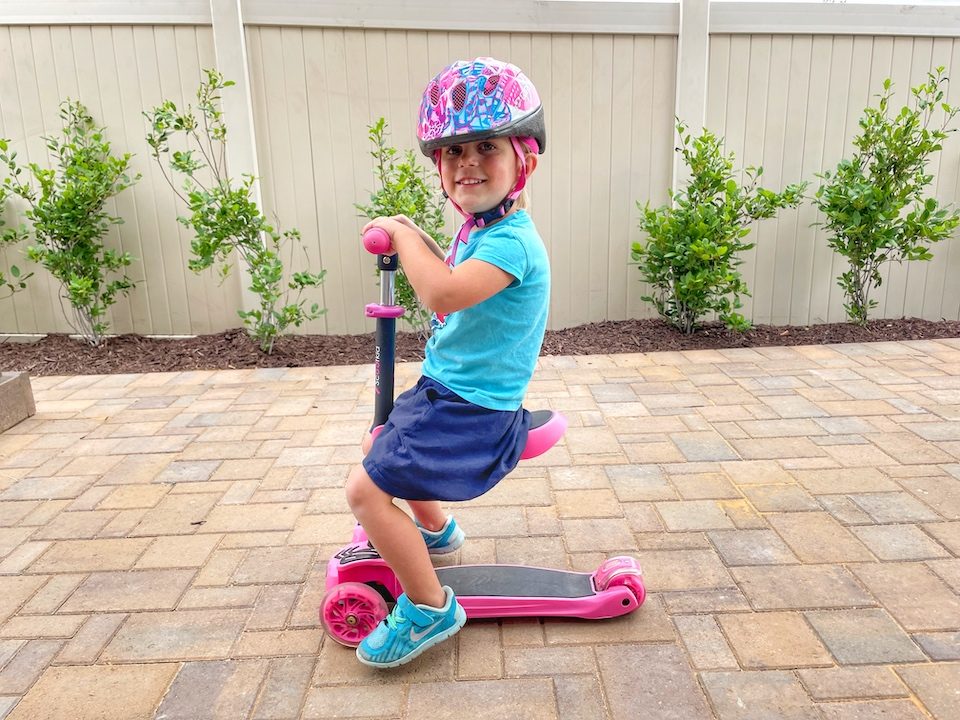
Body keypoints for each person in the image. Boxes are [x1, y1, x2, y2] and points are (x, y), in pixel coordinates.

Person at [345, 56, 550, 668]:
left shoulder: (513, 242)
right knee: (375, 440)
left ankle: (431, 609)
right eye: (453, 151)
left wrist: (405, 239)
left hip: (474, 410)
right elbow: (448, 267)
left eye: (485, 146)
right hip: (448, 390)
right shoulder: (485, 230)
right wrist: (414, 230)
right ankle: (433, 532)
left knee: (363, 492)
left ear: (524, 161)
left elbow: (442, 292)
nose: (467, 163)